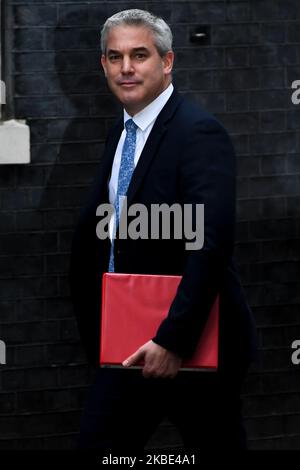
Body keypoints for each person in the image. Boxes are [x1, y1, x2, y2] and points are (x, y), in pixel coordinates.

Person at [70, 8, 257, 451]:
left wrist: (174, 340)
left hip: (191, 346)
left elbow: (209, 245)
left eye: (140, 55)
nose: (126, 68)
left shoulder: (198, 133)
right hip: (127, 340)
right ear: (103, 65)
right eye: (115, 58)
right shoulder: (123, 132)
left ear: (167, 61)